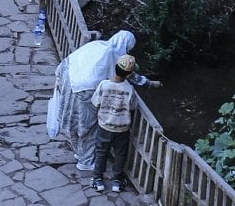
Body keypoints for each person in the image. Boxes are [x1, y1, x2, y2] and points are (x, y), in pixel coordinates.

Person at [47, 31, 162, 172]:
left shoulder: (97, 44)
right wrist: (149, 83)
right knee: (88, 126)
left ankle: (79, 152)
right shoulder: (114, 56)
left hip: (69, 79)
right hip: (84, 89)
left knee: (76, 122)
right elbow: (130, 75)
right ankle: (86, 161)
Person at [90, 54, 141, 193]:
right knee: (120, 154)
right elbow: (132, 107)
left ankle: (98, 179)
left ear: (115, 67)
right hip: (122, 128)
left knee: (101, 152)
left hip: (104, 126)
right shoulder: (129, 89)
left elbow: (95, 102)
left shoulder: (104, 85)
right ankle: (117, 181)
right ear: (129, 74)